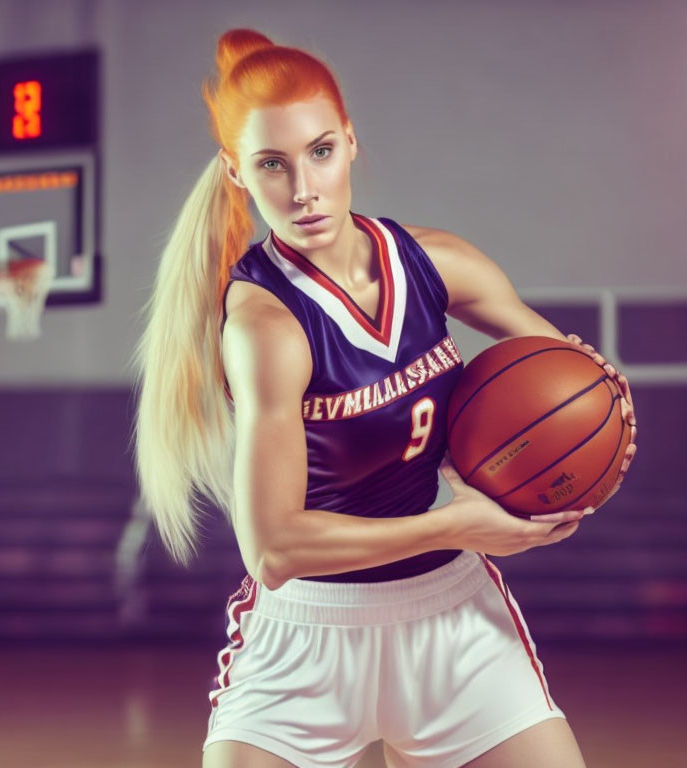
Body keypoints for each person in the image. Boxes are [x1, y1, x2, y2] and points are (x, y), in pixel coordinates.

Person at [132, 28, 638, 768]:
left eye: (321, 152)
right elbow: (273, 549)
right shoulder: (266, 327)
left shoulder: (437, 262)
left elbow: (570, 379)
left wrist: (596, 418)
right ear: (235, 173)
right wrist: (458, 523)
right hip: (309, 637)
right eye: (272, 165)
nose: (303, 189)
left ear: (351, 144)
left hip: (449, 618)